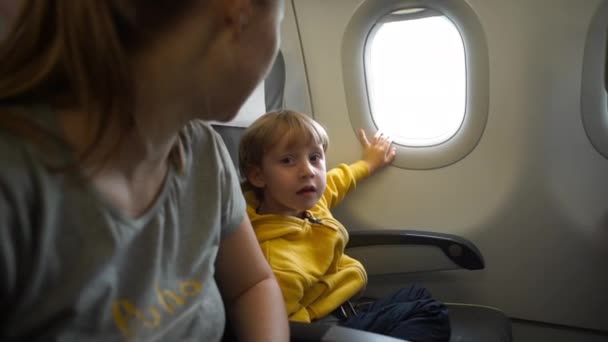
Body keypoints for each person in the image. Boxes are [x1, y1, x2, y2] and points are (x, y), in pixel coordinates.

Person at [0, 1, 289, 341]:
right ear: (236, 15)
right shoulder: (15, 183)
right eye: (279, 21)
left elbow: (253, 284)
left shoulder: (203, 152)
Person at [239, 110, 450, 341]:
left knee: (418, 293)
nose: (308, 171)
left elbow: (340, 179)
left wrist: (369, 163)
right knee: (431, 313)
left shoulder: (307, 203)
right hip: (325, 329)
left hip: (346, 308)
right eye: (287, 160)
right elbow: (282, 326)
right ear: (258, 176)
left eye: (314, 157)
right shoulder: (276, 257)